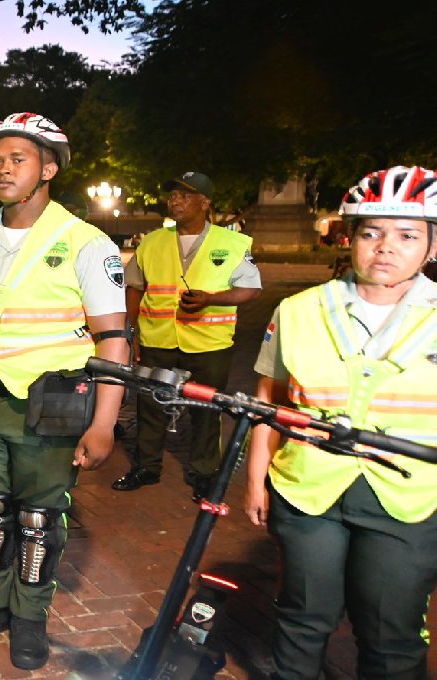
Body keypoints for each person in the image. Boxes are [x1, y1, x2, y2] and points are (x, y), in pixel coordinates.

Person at [0, 113, 127, 669]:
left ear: (49, 169)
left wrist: (104, 422)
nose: (3, 170)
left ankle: (30, 616)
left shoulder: (87, 243)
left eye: (19, 159)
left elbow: (113, 339)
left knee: (38, 517)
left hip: (51, 402)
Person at [245, 166, 437, 680]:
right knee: (302, 618)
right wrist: (256, 479)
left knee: (391, 634)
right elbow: (269, 401)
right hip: (308, 490)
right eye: (372, 233)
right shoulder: (297, 311)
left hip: (409, 498)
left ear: (431, 246)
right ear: (350, 238)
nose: (386, 247)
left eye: (407, 235)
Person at [112, 171, 261, 501]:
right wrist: (132, 331)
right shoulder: (152, 242)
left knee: (206, 410)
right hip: (158, 340)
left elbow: (250, 288)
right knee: (149, 406)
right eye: (173, 195)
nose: (175, 201)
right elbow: (135, 287)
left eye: (185, 195)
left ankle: (204, 473)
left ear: (205, 203)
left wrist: (212, 298)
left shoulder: (232, 243)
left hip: (209, 344)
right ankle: (146, 467)